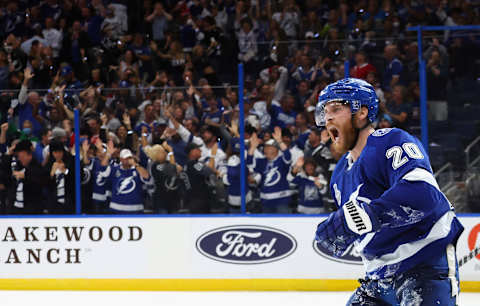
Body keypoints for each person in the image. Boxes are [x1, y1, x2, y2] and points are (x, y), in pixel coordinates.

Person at [314, 78, 463, 305]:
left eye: (335, 109)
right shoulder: (339, 176)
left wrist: (364, 217)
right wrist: (341, 231)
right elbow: (358, 225)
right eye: (325, 112)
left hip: (425, 265)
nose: (328, 118)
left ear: (361, 112)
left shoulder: (390, 141)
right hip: (378, 279)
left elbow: (424, 196)